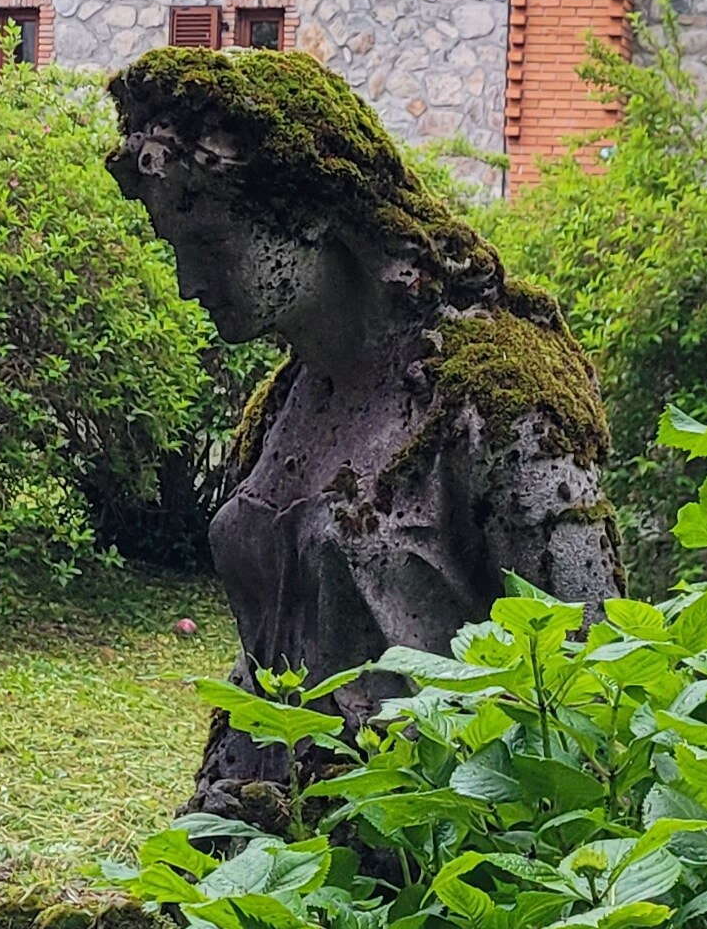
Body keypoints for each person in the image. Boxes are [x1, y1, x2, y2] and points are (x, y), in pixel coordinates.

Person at [104, 46, 620, 824]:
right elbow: (269, 659)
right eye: (174, 250)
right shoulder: (285, 401)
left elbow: (597, 683)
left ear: (310, 211)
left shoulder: (495, 398)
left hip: (424, 880)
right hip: (259, 873)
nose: (187, 284)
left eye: (208, 245)